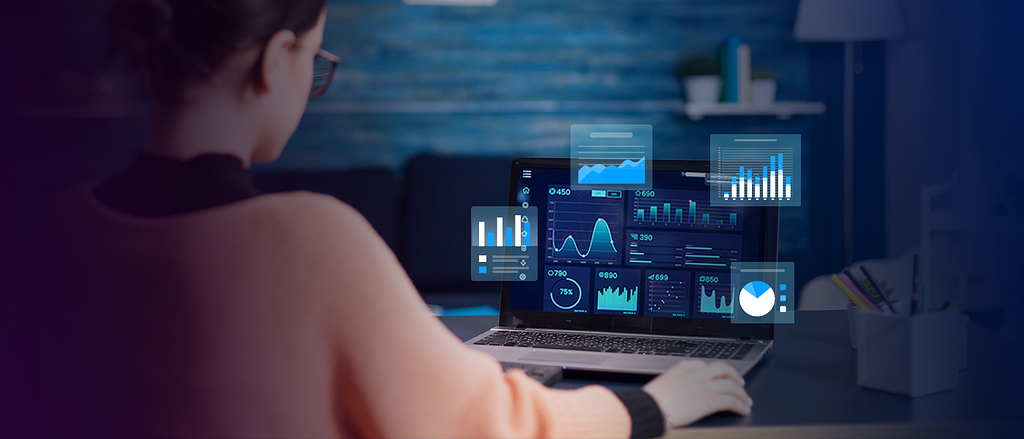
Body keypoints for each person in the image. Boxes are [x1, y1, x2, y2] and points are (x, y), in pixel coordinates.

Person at [35, 0, 752, 437]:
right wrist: (660, 403)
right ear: (277, 58)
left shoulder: (57, 228)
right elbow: (494, 427)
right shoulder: (309, 240)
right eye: (316, 59)